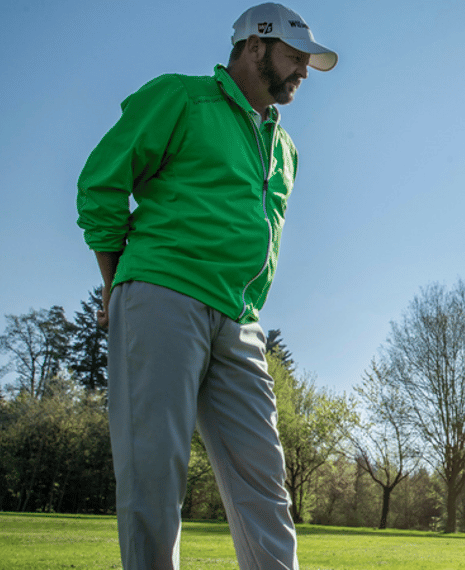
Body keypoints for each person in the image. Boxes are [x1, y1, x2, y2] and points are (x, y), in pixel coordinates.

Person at [75, 4, 338, 569]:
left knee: (265, 479)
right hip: (162, 292)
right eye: (295, 57)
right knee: (154, 470)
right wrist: (115, 281)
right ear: (254, 46)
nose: (302, 73)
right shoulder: (181, 98)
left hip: (239, 318)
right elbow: (101, 182)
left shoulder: (284, 146)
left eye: (307, 63)